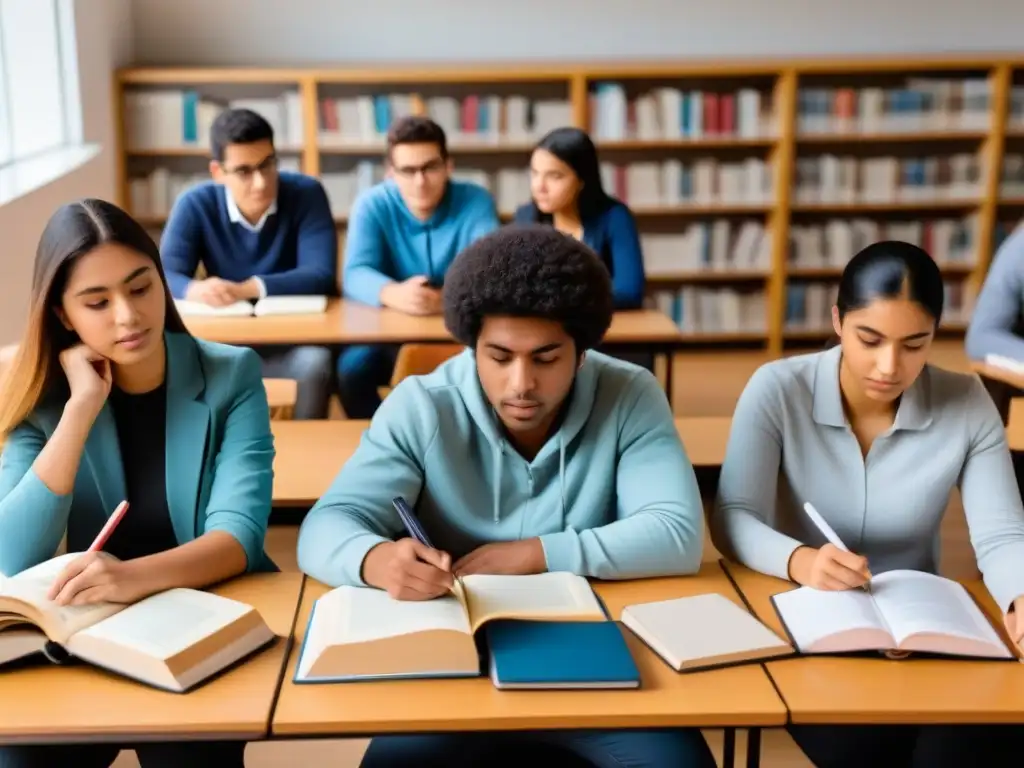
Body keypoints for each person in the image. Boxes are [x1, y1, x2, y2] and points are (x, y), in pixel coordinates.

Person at [297, 225, 712, 768]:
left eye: (546, 358)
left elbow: (678, 534)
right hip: (451, 663)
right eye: (498, 357)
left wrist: (534, 553)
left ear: (582, 352)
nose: (521, 384)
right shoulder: (422, 404)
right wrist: (376, 559)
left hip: (595, 658)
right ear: (471, 347)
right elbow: (327, 524)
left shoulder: (629, 393)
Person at [710, 240, 1024, 768]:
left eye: (914, 344)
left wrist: (1019, 596)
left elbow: (1001, 535)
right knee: (867, 748)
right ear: (837, 320)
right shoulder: (777, 389)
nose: (889, 365)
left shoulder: (967, 401)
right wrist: (800, 561)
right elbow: (733, 516)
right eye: (869, 339)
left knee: (968, 743)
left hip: (922, 633)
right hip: (806, 623)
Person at [0, 199, 275, 768]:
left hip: (198, 617)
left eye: (140, 287)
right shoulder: (44, 401)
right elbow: (11, 550)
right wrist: (80, 409)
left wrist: (130, 577)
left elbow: (238, 538)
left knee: (187, 753)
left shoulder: (232, 374)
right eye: (97, 302)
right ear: (62, 314)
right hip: (77, 631)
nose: (128, 316)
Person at [160, 108, 336, 420]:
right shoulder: (195, 203)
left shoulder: (306, 193)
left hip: (294, 339)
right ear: (218, 172)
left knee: (316, 364)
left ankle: (306, 452)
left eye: (268, 165)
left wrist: (246, 289)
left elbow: (320, 274)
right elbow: (165, 274)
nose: (260, 182)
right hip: (223, 340)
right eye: (244, 171)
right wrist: (194, 288)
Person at [337, 115, 500, 418]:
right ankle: (386, 436)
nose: (420, 181)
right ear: (390, 173)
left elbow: (490, 269)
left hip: (461, 330)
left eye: (430, 167)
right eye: (408, 170)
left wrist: (445, 298)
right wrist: (392, 292)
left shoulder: (475, 200)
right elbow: (354, 273)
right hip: (389, 332)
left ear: (448, 165)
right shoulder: (371, 204)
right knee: (351, 370)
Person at [514, 126, 645, 309]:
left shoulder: (615, 218)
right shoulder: (525, 216)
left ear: (581, 180)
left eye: (554, 176)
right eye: (535, 173)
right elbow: (515, 286)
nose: (539, 186)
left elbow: (629, 293)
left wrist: (554, 299)